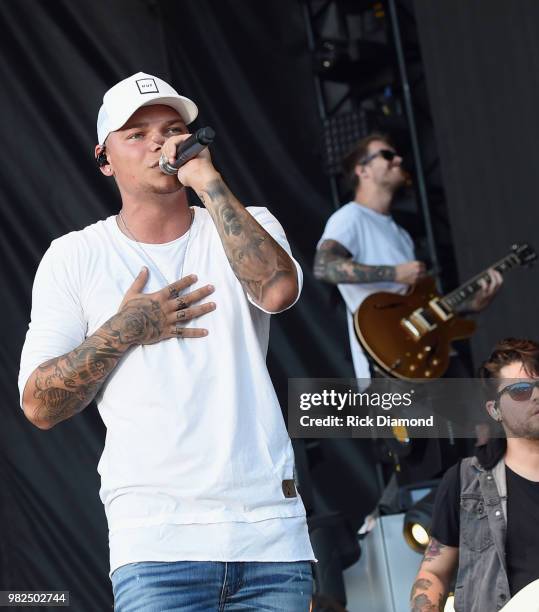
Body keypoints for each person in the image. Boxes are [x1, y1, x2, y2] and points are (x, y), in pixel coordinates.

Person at [18, 72, 314, 611]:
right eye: (137, 133)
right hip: (156, 542)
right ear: (104, 158)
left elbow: (276, 291)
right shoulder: (75, 256)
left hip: (270, 534)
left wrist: (207, 182)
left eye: (174, 128)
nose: (160, 141)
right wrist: (125, 328)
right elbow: (39, 404)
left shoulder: (250, 223)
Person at [314, 133, 502, 379]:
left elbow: (415, 307)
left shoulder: (401, 234)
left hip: (429, 354)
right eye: (387, 155)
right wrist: (394, 273)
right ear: (363, 171)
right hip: (390, 363)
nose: (398, 160)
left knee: (479, 416)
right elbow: (323, 267)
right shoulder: (349, 217)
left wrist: (467, 306)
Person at [409, 338, 539, 611]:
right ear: (494, 410)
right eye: (521, 390)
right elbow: (433, 573)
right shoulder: (466, 480)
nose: (536, 396)